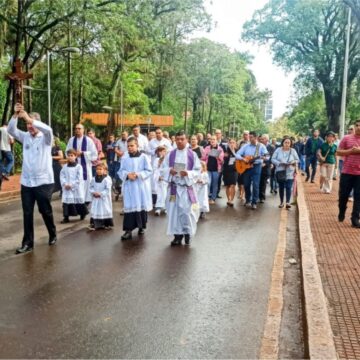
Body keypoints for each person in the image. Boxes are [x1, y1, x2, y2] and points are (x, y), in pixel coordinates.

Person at [8, 103, 57, 254]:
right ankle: (28, 243)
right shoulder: (25, 137)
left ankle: (52, 232)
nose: (29, 127)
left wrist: (29, 118)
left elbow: (48, 129)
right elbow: (11, 130)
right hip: (27, 182)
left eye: (31, 124)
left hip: (43, 182)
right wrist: (16, 115)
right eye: (27, 124)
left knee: (44, 210)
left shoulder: (46, 138)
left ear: (37, 123)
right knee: (27, 212)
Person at [161, 130, 201, 246]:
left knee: (186, 212)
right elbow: (163, 169)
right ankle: (177, 236)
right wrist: (170, 171)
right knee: (174, 211)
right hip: (174, 188)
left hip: (186, 189)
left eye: (182, 139)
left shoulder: (192, 155)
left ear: (186, 140)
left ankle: (187, 233)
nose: (179, 141)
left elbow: (198, 170)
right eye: (177, 139)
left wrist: (188, 173)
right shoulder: (170, 154)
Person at [118, 138, 153, 240]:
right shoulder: (124, 158)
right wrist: (127, 175)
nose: (130, 148)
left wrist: (138, 175)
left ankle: (141, 227)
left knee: (140, 206)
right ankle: (128, 230)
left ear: (137, 146)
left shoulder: (143, 157)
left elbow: (149, 170)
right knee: (129, 207)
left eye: (132, 146)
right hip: (130, 186)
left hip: (140, 186)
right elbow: (121, 171)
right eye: (128, 146)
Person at [235, 131, 268, 210]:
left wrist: (264, 157)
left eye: (251, 137)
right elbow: (237, 154)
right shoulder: (246, 146)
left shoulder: (261, 146)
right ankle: (248, 200)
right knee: (246, 184)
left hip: (257, 166)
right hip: (246, 168)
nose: (249, 138)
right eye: (249, 137)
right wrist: (243, 159)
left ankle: (254, 202)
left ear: (256, 137)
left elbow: (267, 156)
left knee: (256, 185)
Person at [337, 119, 360, 228]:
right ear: (354, 127)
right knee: (343, 195)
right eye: (357, 125)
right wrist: (350, 151)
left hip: (359, 174)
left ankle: (355, 219)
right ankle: (342, 211)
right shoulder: (346, 138)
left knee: (358, 197)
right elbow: (338, 152)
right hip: (347, 172)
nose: (358, 127)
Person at [66, 124, 98, 203]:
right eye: (76, 128)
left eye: (79, 128)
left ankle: (85, 202)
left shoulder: (88, 140)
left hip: (85, 167)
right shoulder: (71, 140)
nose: (77, 130)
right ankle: (75, 202)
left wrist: (83, 153)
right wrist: (72, 155)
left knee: (85, 183)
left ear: (83, 130)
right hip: (74, 166)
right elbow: (67, 152)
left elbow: (94, 154)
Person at [60, 148, 88, 223]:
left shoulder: (78, 167)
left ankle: (82, 214)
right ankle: (66, 217)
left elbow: (79, 178)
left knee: (79, 201)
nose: (70, 157)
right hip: (67, 188)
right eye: (68, 155)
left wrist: (72, 185)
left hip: (76, 188)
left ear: (75, 156)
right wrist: (65, 184)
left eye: (72, 155)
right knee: (66, 202)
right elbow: (62, 176)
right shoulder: (65, 167)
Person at [271, 137, 299, 209]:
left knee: (289, 187)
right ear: (282, 143)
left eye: (288, 143)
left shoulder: (293, 151)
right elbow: (273, 159)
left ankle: (287, 202)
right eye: (285, 142)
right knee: (281, 187)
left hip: (290, 171)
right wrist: (279, 163)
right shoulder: (278, 150)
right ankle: (281, 202)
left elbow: (297, 160)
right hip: (280, 171)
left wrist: (293, 162)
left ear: (290, 144)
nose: (287, 144)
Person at [88, 163, 114, 231]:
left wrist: (101, 194)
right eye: (97, 169)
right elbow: (91, 187)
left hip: (103, 199)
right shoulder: (93, 179)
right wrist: (93, 192)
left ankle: (106, 224)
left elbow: (107, 189)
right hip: (96, 198)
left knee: (104, 209)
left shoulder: (107, 179)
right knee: (95, 210)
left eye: (100, 169)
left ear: (105, 170)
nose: (98, 171)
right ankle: (94, 224)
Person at [202, 135, 224, 204]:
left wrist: (218, 157)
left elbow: (222, 160)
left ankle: (213, 198)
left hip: (216, 169)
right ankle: (206, 197)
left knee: (214, 184)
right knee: (208, 183)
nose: (212, 141)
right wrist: (207, 154)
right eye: (211, 139)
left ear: (216, 140)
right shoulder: (207, 148)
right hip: (207, 168)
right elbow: (203, 158)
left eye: (214, 139)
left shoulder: (220, 149)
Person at [259, 134, 274, 203]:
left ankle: (262, 196)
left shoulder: (271, 147)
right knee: (257, 182)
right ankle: (256, 196)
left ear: (267, 140)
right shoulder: (258, 146)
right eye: (261, 139)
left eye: (263, 139)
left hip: (266, 168)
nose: (261, 140)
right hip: (258, 166)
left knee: (263, 182)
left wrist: (266, 164)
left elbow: (271, 158)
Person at [222, 138, 238, 206]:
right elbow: (223, 161)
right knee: (228, 186)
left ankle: (232, 200)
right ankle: (228, 199)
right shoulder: (226, 151)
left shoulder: (238, 151)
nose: (232, 144)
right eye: (230, 142)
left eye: (233, 142)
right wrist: (224, 157)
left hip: (235, 170)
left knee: (233, 185)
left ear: (235, 144)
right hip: (227, 170)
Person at [113, 131, 128, 199]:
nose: (123, 135)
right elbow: (115, 149)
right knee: (119, 175)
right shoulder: (118, 141)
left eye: (124, 134)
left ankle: (124, 191)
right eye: (122, 134)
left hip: (128, 161)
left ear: (127, 135)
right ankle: (118, 190)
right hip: (120, 161)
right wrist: (120, 153)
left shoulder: (130, 140)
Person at [153, 146, 168, 216]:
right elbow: (155, 170)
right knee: (160, 194)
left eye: (165, 151)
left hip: (166, 179)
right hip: (159, 179)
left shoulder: (167, 160)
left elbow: (168, 169)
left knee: (166, 194)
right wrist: (158, 176)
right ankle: (158, 208)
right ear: (159, 152)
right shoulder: (156, 160)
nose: (164, 153)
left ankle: (165, 208)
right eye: (162, 151)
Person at [237, 130, 250, 200]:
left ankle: (243, 193)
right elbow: (237, 151)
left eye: (247, 134)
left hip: (247, 162)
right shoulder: (239, 142)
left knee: (246, 178)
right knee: (240, 179)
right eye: (244, 134)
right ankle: (240, 192)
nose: (245, 136)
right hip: (240, 162)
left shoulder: (251, 142)